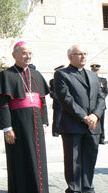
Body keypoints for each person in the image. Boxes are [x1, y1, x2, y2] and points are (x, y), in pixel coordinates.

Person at [0, 41, 50, 193]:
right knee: (20, 160)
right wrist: (7, 127)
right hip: (18, 125)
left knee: (39, 160)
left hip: (36, 125)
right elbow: (2, 104)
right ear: (14, 55)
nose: (27, 56)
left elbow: (42, 101)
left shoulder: (36, 74)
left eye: (29, 53)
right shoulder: (6, 75)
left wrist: (44, 123)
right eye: (24, 53)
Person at [54, 45, 105, 193]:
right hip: (73, 125)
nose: (83, 56)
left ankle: (88, 187)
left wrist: (95, 115)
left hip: (93, 125)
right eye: (79, 54)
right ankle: (74, 189)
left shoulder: (93, 75)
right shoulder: (62, 74)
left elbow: (101, 98)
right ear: (70, 57)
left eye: (85, 53)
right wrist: (84, 117)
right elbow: (66, 99)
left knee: (90, 159)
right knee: (73, 161)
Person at [90, 63, 108, 145]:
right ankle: (93, 138)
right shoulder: (89, 79)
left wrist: (101, 99)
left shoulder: (103, 80)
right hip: (91, 105)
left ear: (99, 70)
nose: (95, 71)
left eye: (96, 70)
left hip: (101, 105)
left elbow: (106, 91)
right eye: (93, 70)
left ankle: (101, 138)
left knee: (101, 122)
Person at [50, 65, 65, 137]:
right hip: (57, 102)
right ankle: (55, 132)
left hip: (66, 102)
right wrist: (58, 98)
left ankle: (63, 130)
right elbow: (52, 92)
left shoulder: (66, 79)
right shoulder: (52, 81)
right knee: (57, 118)